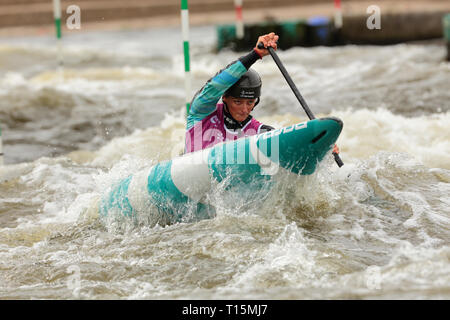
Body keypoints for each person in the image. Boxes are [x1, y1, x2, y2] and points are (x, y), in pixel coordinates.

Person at [185, 32, 279, 154]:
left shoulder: (254, 129)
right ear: (224, 97)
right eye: (238, 102)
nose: (245, 109)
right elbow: (216, 85)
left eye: (250, 102)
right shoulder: (201, 111)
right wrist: (255, 54)